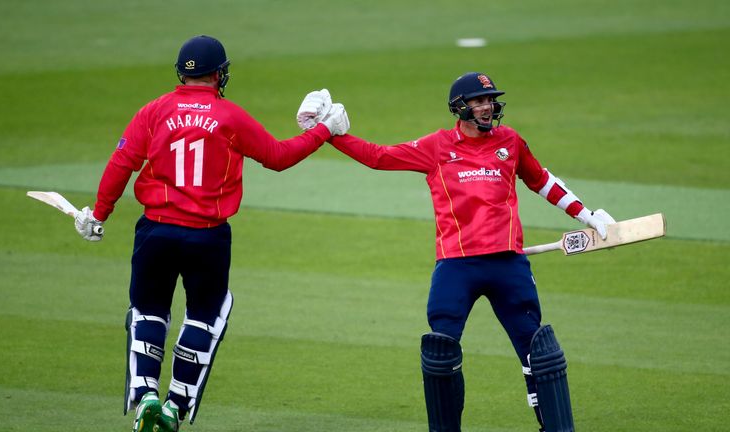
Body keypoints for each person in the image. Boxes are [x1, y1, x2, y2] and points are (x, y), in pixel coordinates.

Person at [297, 73, 614, 432]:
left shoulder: (510, 141)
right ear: (459, 107)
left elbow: (540, 179)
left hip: (508, 264)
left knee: (538, 354)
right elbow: (378, 157)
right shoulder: (436, 146)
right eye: (478, 100)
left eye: (489, 100)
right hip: (456, 266)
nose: (486, 106)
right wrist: (329, 134)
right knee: (440, 351)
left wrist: (587, 214)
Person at [73, 35, 349, 432]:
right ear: (219, 74)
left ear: (181, 74)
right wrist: (325, 129)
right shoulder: (230, 116)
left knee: (148, 311)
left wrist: (98, 214)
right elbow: (278, 157)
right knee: (205, 317)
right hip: (208, 236)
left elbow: (122, 163)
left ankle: (145, 393)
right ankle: (175, 405)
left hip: (155, 232)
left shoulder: (153, 111)